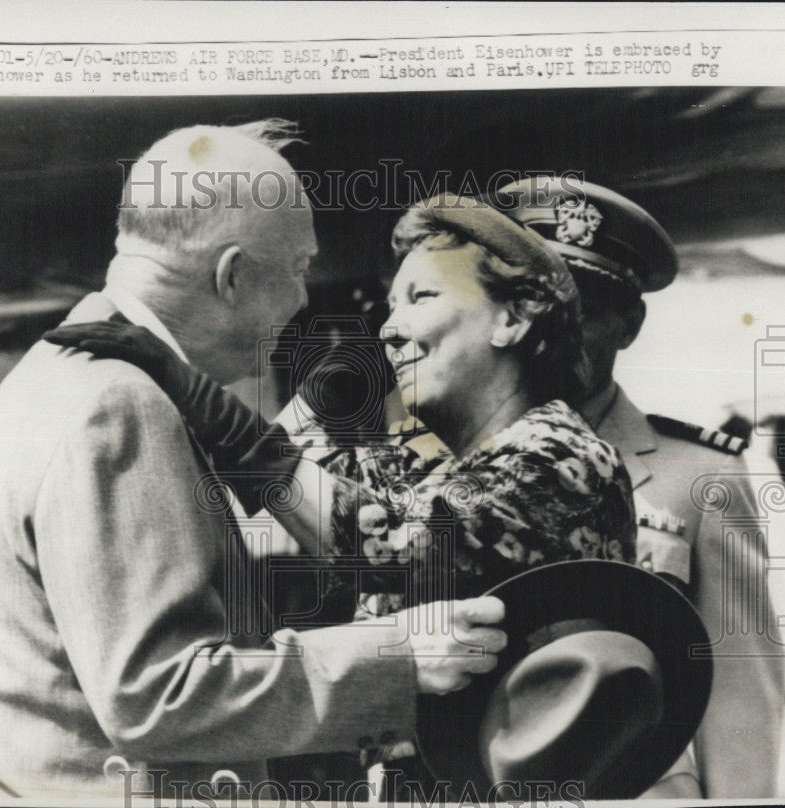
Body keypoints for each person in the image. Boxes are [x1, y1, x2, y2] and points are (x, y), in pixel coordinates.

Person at [0, 121, 508, 800]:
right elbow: (158, 695)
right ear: (232, 275)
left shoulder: (66, 378)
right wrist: (398, 659)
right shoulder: (119, 403)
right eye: (298, 268)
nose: (305, 297)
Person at [45, 192, 640, 794]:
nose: (388, 326)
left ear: (513, 317)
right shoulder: (440, 466)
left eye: (422, 297)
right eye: (390, 306)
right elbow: (283, 502)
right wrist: (316, 403)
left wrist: (211, 408)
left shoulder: (562, 454)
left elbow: (387, 547)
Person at [495, 177, 785, 798]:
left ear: (629, 323)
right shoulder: (452, 467)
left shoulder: (701, 480)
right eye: (536, 307)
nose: (555, 334)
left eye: (583, 313)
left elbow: (738, 699)